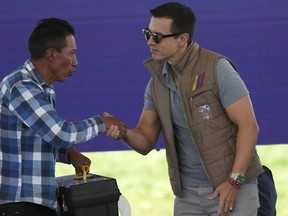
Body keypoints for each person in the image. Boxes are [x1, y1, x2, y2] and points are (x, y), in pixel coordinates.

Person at [107, 2, 264, 215]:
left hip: (233, 188)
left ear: (182, 39)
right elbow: (144, 140)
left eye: (158, 36)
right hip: (187, 196)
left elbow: (249, 126)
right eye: (147, 34)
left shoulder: (217, 68)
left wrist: (234, 182)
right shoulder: (156, 83)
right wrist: (124, 133)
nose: (150, 42)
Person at [0, 18, 126, 216]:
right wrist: (101, 123)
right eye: (72, 54)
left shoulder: (42, 89)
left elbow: (31, 142)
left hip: (34, 204)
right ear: (51, 54)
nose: (76, 62)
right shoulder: (21, 86)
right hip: (19, 205)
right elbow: (59, 133)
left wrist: (68, 154)